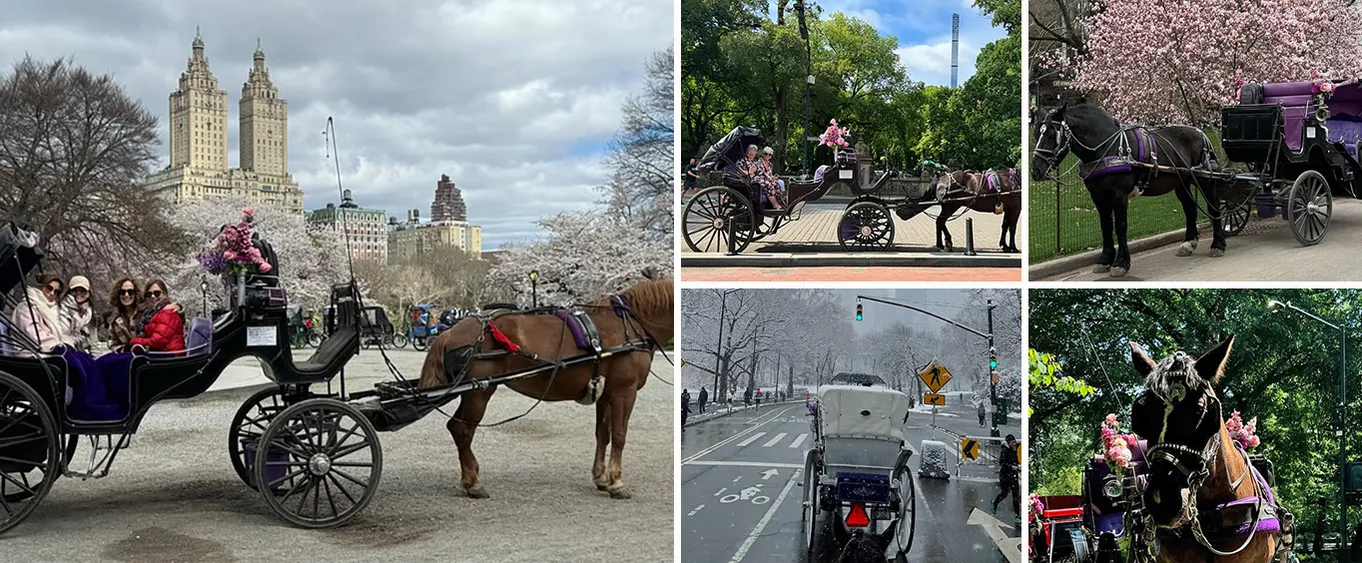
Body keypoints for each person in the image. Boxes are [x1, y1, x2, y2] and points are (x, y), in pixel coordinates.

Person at [10, 275, 66, 356]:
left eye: (56, 291)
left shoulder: (54, 310)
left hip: (48, 349)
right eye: (49, 288)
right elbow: (31, 332)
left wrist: (65, 344)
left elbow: (62, 332)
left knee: (82, 359)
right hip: (29, 350)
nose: (52, 293)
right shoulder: (27, 306)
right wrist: (54, 345)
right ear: (41, 287)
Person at [129, 280, 186, 353]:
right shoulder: (150, 313)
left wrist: (133, 342)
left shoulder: (168, 312)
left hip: (169, 357)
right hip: (159, 354)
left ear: (164, 294)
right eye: (149, 294)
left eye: (157, 293)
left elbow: (158, 341)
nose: (153, 296)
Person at [59, 275, 95, 353]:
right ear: (70, 292)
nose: (79, 293)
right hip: (66, 348)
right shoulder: (63, 309)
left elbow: (93, 340)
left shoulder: (89, 312)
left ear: (88, 293)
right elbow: (62, 334)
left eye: (82, 290)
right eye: (75, 290)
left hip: (85, 350)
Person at [993, 434, 1021, 524]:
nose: (1014, 444)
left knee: (1015, 496)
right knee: (1004, 493)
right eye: (1012, 442)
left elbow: (1016, 460)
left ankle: (1017, 516)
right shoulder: (1005, 450)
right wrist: (1011, 467)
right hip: (1005, 475)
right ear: (1009, 443)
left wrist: (1018, 466)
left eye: (1015, 442)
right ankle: (995, 503)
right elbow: (1002, 463)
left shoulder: (1014, 450)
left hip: (1013, 476)